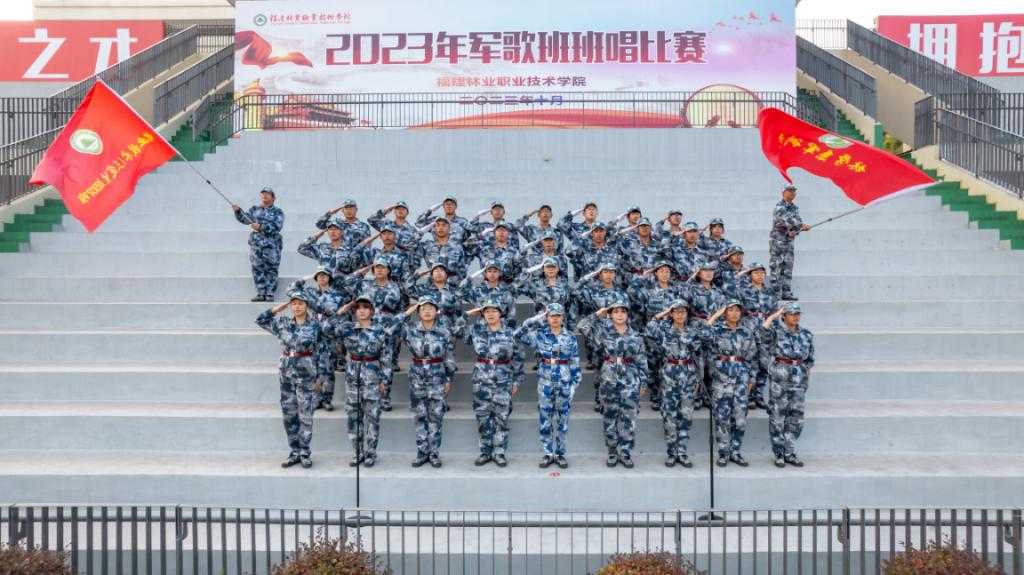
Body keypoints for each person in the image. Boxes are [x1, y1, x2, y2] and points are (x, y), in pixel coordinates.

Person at [256, 289, 330, 469]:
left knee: (306, 416)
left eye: (300, 303)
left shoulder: (316, 326)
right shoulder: (283, 324)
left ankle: (305, 452)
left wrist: (321, 377)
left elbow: (323, 352)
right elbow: (260, 320)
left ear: (307, 306)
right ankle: (294, 451)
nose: (297, 307)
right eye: (294, 303)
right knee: (289, 415)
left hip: (307, 374)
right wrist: (276, 309)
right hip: (286, 374)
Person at [578, 300, 649, 468]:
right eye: (616, 311)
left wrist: (643, 383)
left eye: (623, 311)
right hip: (609, 379)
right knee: (609, 417)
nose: (620, 315)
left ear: (628, 314)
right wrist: (597, 314)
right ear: (610, 315)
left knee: (629, 418)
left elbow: (642, 360)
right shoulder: (604, 333)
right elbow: (582, 326)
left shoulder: (636, 336)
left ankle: (625, 453)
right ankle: (612, 452)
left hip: (630, 380)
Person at [459, 299, 525, 467]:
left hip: (503, 380)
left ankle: (499, 452)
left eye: (494, 311)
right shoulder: (476, 331)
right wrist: (467, 314)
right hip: (481, 380)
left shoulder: (511, 334)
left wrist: (517, 381)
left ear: (500, 313)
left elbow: (519, 359)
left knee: (502, 418)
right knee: (482, 417)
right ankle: (485, 451)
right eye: (487, 311)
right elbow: (455, 329)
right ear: (482, 314)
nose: (490, 314)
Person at [514, 303, 581, 469]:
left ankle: (560, 454)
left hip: (564, 382)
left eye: (558, 315)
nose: (555, 319)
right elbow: (517, 335)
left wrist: (575, 384)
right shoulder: (540, 335)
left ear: (563, 318)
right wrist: (533, 320)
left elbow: (574, 361)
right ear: (547, 318)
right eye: (552, 316)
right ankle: (548, 453)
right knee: (545, 419)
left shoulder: (570, 337)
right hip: (545, 383)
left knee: (563, 421)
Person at [332, 294, 396, 468]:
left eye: (365, 307)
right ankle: (357, 452)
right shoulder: (347, 329)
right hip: (353, 376)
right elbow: (326, 328)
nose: (361, 311)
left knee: (373, 418)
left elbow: (387, 359)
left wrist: (385, 382)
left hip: (373, 376)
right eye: (358, 307)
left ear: (372, 310)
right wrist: (340, 312)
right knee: (353, 417)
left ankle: (371, 452)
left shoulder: (381, 331)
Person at [398, 295, 456, 468]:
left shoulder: (444, 331)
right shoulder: (410, 329)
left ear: (436, 311)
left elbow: (449, 357)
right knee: (419, 416)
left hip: (437, 375)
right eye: (423, 308)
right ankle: (422, 452)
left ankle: (434, 453)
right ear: (418, 312)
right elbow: (390, 328)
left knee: (436, 416)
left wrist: (449, 378)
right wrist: (406, 313)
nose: (427, 311)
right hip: (417, 375)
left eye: (431, 308)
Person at [645, 300, 704, 467]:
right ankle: (672, 452)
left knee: (686, 416)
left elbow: (698, 357)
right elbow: (649, 328)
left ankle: (682, 452)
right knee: (669, 416)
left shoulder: (692, 333)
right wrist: (664, 313)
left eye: (683, 311)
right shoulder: (664, 331)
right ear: (671, 314)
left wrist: (698, 378)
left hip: (688, 375)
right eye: (676, 311)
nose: (680, 314)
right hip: (669, 376)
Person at [341, 258, 405, 410]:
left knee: (387, 363)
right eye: (376, 267)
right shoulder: (365, 285)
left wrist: (399, 332)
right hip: (367, 327)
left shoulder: (397, 287)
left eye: (382, 267)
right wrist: (364, 269)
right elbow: (347, 282)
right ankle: (363, 396)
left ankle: (384, 398)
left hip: (388, 329)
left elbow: (401, 310)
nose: (379, 270)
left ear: (388, 270)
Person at [760, 302, 815, 468]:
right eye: (791, 314)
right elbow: (762, 332)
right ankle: (779, 452)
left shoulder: (806, 334)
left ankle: (789, 451)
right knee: (777, 416)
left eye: (798, 314)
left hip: (799, 377)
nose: (796, 317)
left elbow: (809, 360)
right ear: (784, 316)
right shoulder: (777, 332)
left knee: (796, 416)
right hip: (780, 377)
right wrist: (775, 315)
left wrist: (807, 379)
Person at [704, 299, 758, 468]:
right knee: (722, 418)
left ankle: (735, 451)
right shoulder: (717, 330)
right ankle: (723, 453)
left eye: (737, 310)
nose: (734, 313)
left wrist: (752, 378)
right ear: (725, 313)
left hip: (741, 379)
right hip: (722, 380)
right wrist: (716, 315)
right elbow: (703, 335)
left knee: (740, 419)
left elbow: (752, 357)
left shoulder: (746, 332)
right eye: (731, 310)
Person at [288, 267, 346, 411]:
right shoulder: (309, 293)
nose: (321, 277)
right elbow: (290, 290)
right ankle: (316, 398)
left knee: (328, 368)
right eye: (319, 275)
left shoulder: (338, 295)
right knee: (312, 367)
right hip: (311, 332)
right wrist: (303, 279)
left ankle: (327, 399)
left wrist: (339, 338)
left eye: (324, 275)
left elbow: (343, 317)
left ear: (330, 277)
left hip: (329, 334)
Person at [232, 187, 284, 302]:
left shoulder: (278, 212)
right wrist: (238, 211)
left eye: (268, 194)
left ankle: (270, 293)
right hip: (257, 244)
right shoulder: (255, 209)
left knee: (272, 268)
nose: (265, 196)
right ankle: (261, 292)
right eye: (263, 194)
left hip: (272, 244)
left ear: (273, 198)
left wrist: (261, 227)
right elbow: (245, 219)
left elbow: (277, 227)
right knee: (257, 268)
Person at [739, 262, 777, 410]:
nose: (760, 275)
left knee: (764, 364)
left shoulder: (770, 292)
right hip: (749, 329)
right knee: (750, 363)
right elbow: (729, 287)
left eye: (762, 273)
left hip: (766, 331)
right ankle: (749, 395)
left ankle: (758, 395)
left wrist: (776, 330)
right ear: (750, 275)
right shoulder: (743, 290)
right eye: (756, 272)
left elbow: (774, 313)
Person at [770, 185, 810, 301]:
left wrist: (795, 231)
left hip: (789, 241)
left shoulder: (795, 208)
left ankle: (786, 292)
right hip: (778, 240)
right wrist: (801, 225)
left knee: (788, 266)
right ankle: (775, 293)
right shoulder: (780, 207)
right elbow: (787, 220)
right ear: (783, 192)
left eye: (794, 191)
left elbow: (797, 223)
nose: (792, 193)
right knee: (777, 266)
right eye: (790, 190)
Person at [298, 218, 358, 282]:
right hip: (325, 285)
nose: (333, 232)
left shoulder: (350, 250)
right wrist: (316, 236)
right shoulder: (322, 248)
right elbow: (302, 248)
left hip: (343, 286)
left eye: (336, 229)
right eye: (330, 229)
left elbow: (356, 271)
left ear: (342, 231)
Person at [368, 201, 421, 268]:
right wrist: (385, 211)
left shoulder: (412, 230)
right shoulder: (386, 224)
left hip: (403, 263)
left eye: (403, 209)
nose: (400, 211)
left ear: (407, 212)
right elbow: (371, 219)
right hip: (386, 260)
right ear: (394, 211)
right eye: (398, 209)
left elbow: (414, 249)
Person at [417, 216, 468, 282]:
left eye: (444, 225)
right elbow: (409, 244)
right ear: (434, 228)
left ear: (449, 228)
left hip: (452, 284)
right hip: (433, 284)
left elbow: (463, 272)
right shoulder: (427, 246)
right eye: (437, 225)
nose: (440, 227)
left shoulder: (457, 248)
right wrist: (421, 232)